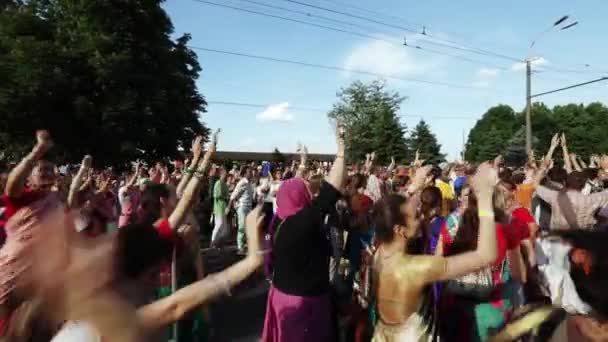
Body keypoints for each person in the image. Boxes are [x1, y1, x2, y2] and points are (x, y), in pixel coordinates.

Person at [369, 163, 499, 341]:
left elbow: (387, 213)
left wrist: (415, 186)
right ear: (400, 230)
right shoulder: (417, 268)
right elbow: (486, 255)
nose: (422, 216)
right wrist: (485, 198)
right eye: (416, 216)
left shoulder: (379, 252)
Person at [262, 126, 346, 342]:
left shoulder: (278, 220)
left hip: (281, 298)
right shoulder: (303, 223)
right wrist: (341, 150)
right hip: (306, 303)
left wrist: (302, 160)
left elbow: (293, 187)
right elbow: (331, 189)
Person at [228, 166, 254, 255]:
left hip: (249, 207)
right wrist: (229, 207)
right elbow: (233, 195)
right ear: (244, 173)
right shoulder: (242, 182)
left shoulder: (250, 183)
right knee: (242, 226)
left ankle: (244, 246)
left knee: (247, 227)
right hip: (242, 207)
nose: (251, 173)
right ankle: (240, 248)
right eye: (249, 172)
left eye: (251, 171)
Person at [211, 167, 229, 247]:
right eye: (225, 174)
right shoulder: (218, 183)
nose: (226, 175)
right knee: (219, 225)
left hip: (224, 207)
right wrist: (226, 197)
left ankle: (219, 242)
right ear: (221, 174)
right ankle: (213, 241)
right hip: (218, 208)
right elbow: (216, 195)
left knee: (224, 228)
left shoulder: (224, 183)